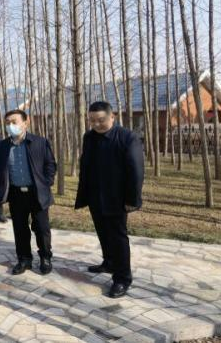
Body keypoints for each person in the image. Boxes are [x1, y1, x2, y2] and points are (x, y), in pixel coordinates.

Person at [75, 101, 144, 298]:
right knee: (102, 232)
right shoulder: (89, 137)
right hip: (95, 195)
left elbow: (136, 171)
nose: (96, 124)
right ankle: (109, 262)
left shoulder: (127, 137)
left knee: (118, 237)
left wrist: (132, 199)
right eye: (92, 121)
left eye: (101, 120)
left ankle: (122, 278)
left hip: (117, 198)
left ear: (112, 117)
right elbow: (86, 164)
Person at [0, 109, 57, 275]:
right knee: (20, 228)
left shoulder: (40, 142)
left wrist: (46, 182)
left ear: (25, 122)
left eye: (14, 122)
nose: (10, 125)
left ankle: (45, 257)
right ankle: (24, 259)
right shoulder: (2, 146)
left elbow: (50, 164)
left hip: (37, 193)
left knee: (42, 228)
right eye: (7, 123)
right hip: (16, 194)